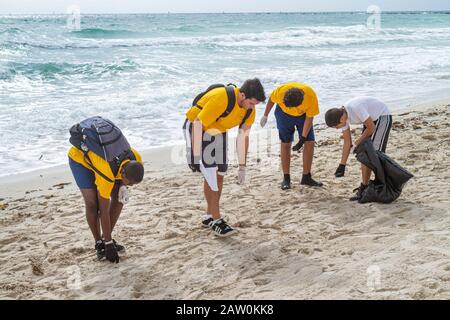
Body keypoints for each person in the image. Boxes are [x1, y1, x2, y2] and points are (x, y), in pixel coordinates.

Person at [183, 79, 266, 237]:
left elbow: (243, 137)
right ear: (242, 95)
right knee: (211, 174)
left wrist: (242, 167)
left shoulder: (249, 110)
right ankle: (217, 219)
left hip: (218, 130)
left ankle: (209, 216)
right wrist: (195, 155)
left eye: (255, 104)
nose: (252, 107)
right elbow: (197, 123)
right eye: (251, 103)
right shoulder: (222, 98)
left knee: (221, 172)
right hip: (197, 127)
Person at [68, 116, 144, 263]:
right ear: (122, 174)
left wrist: (123, 186)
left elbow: (123, 188)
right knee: (93, 204)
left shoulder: (136, 158)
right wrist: (109, 245)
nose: (130, 186)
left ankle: (105, 239)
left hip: (105, 160)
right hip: (80, 160)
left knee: (120, 199)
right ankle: (100, 244)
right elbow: (103, 210)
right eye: (129, 183)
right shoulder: (107, 174)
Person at [325, 96, 393, 201]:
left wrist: (359, 141)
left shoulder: (356, 108)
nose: (336, 128)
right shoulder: (342, 117)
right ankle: (365, 187)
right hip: (371, 120)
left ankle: (383, 187)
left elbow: (371, 128)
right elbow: (347, 143)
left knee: (375, 154)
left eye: (336, 126)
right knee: (364, 154)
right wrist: (342, 165)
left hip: (382, 116)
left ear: (342, 119)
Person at [260, 82, 323, 190]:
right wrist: (265, 115)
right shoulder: (281, 91)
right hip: (283, 115)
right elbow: (271, 99)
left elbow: (309, 118)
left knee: (310, 142)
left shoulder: (310, 97)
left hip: (302, 116)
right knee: (285, 143)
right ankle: (286, 178)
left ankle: (306, 177)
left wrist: (302, 138)